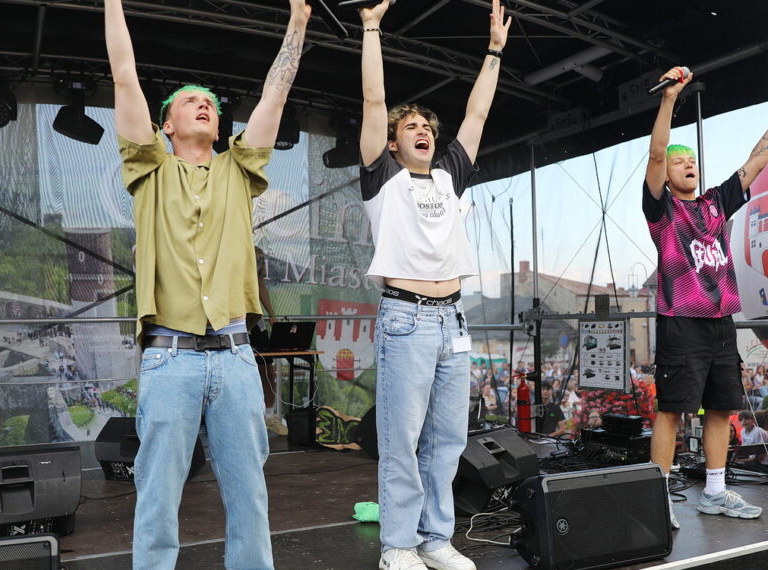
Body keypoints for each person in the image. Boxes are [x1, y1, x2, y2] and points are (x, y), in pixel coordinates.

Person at [104, 0, 310, 567]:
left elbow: (275, 97)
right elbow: (124, 73)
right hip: (170, 357)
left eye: (212, 105)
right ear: (164, 123)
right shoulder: (148, 167)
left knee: (250, 497)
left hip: (237, 355)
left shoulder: (239, 171)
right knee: (157, 496)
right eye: (189, 102)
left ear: (220, 126)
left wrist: (298, 21)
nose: (203, 105)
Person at [358, 0, 509, 568]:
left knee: (447, 441)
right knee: (402, 439)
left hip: (454, 320)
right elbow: (375, 100)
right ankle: (397, 545)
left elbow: (476, 115)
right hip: (405, 317)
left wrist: (493, 50)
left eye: (427, 126)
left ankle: (435, 539)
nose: (423, 131)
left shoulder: (450, 175)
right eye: (411, 127)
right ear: (393, 144)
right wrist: (372, 28)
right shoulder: (383, 180)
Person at [644, 66, 768, 527]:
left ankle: (715, 491)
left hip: (720, 321)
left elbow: (757, 159)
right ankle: (657, 497)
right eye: (680, 162)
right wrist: (668, 102)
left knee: (721, 406)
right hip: (681, 319)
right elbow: (656, 153)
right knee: (673, 409)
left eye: (691, 160)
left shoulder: (715, 203)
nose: (687, 164)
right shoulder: (662, 209)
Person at [252, 246, 287, 436]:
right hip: (234, 322)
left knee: (266, 365)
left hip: (255, 321)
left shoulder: (256, 252)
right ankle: (249, 416)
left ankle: (269, 414)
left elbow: (260, 285)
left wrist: (272, 315)